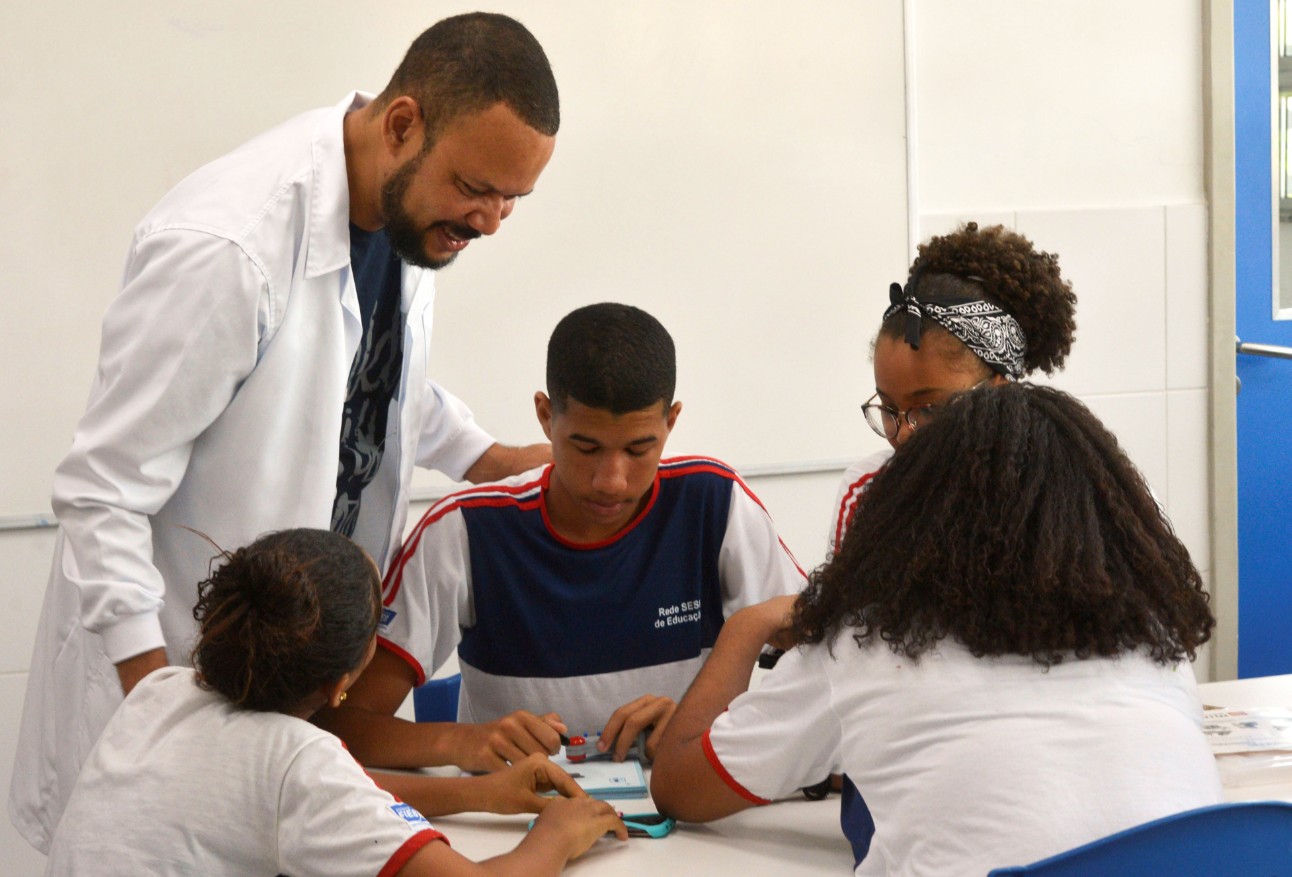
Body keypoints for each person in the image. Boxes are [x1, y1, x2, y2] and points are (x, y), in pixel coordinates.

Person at [12, 13, 561, 852]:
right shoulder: (229, 247)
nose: (490, 220)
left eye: (511, 200)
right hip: (173, 680)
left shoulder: (409, 219)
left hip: (289, 694)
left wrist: (483, 456)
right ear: (404, 123)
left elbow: (368, 375)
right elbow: (101, 493)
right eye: (476, 188)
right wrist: (157, 709)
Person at [650, 383, 1224, 877]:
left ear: (912, 507)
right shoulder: (1152, 640)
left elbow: (679, 788)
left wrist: (747, 626)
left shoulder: (865, 640)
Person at [317, 302, 806, 774]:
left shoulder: (716, 503)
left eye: (640, 449)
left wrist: (705, 726)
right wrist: (463, 740)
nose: (612, 480)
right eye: (586, 447)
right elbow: (338, 727)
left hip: (686, 816)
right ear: (546, 417)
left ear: (671, 422)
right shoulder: (463, 531)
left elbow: (822, 669)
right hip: (513, 828)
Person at [44, 529, 626, 876]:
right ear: (339, 686)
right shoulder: (296, 758)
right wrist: (556, 836)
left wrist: (478, 794)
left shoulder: (161, 691)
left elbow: (323, 791)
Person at [829, 221, 1077, 554]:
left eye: (929, 409)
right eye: (888, 409)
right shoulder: (867, 493)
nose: (901, 434)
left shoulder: (1079, 493)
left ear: (1000, 391)